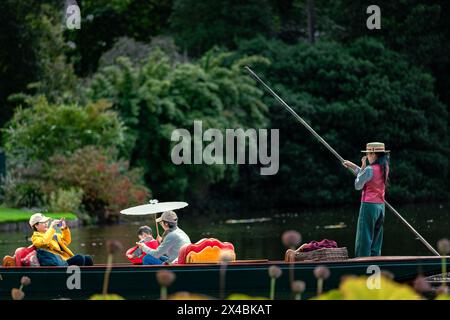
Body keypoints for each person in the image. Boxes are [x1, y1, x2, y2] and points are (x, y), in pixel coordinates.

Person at [343, 142, 390, 257]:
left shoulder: (369, 169)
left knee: (364, 237)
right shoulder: (384, 167)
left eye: (368, 154)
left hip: (368, 206)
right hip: (380, 207)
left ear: (373, 154)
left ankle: (362, 262)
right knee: (376, 239)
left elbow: (358, 185)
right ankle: (375, 261)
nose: (367, 156)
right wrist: (352, 166)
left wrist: (363, 167)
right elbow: (366, 175)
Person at [29, 213, 94, 266]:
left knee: (88, 258)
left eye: (46, 222)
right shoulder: (35, 237)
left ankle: (88, 278)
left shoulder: (51, 233)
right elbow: (44, 242)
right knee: (79, 258)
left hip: (64, 260)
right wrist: (51, 227)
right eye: (43, 222)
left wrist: (64, 229)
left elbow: (66, 241)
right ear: (36, 226)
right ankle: (77, 279)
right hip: (58, 263)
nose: (46, 224)